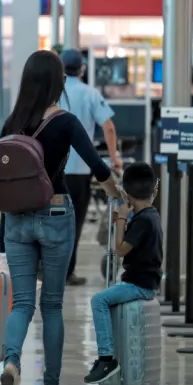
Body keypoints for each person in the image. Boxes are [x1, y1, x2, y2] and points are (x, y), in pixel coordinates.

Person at [0, 50, 121, 385]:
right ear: (59, 82)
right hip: (54, 215)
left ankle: (11, 362)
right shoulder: (64, 121)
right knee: (52, 305)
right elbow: (98, 166)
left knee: (21, 304)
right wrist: (119, 195)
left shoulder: (11, 122)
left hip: (17, 219)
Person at [85, 163, 162, 384]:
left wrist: (121, 218)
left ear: (127, 194)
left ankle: (107, 357)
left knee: (99, 300)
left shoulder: (142, 221)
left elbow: (119, 250)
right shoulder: (151, 214)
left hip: (138, 285)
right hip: (147, 282)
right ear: (153, 191)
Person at [59, 49, 123, 286]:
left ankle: (48, 269)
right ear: (82, 69)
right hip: (80, 169)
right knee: (74, 222)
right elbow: (108, 126)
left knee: (50, 219)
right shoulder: (89, 93)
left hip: (53, 169)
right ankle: (67, 272)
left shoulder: (53, 93)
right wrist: (114, 157)